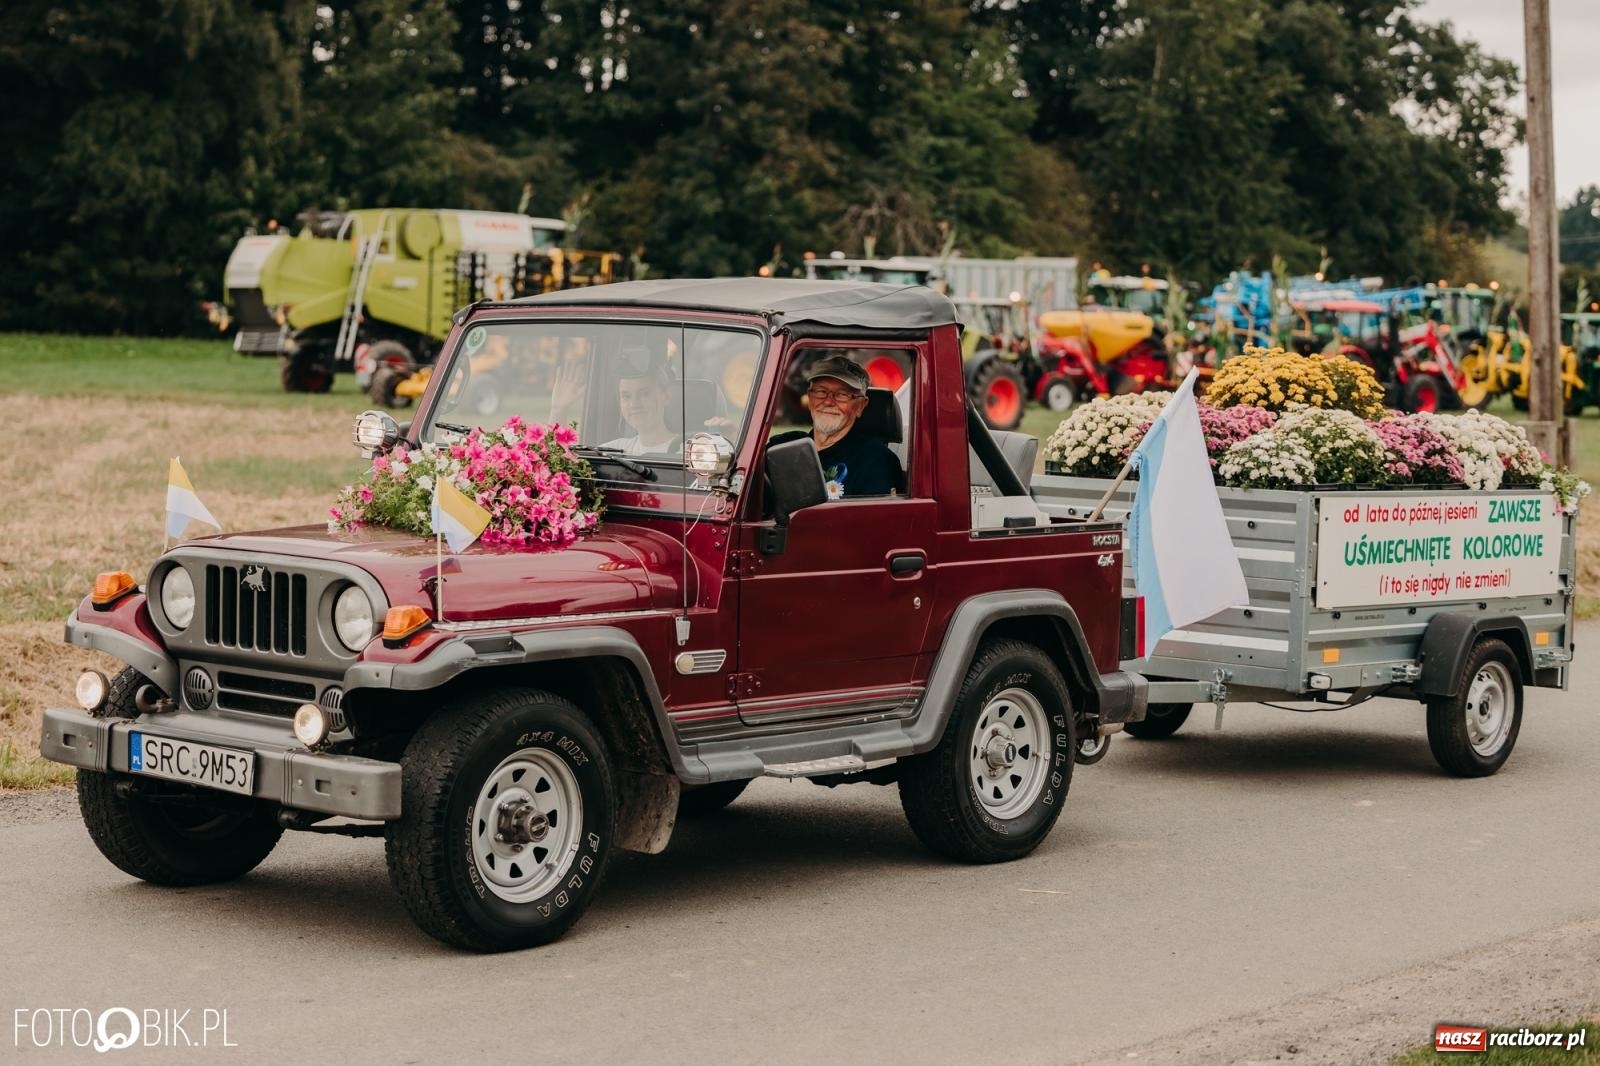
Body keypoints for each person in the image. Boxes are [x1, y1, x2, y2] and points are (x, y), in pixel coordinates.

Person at [771, 355, 903, 499]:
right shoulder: (780, 446)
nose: (828, 401)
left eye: (842, 394)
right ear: (810, 398)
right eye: (821, 391)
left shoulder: (877, 462)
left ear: (861, 405)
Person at [601, 368, 676, 456]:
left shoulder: (689, 454)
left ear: (667, 395)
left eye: (645, 394)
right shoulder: (613, 451)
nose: (634, 404)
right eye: (626, 396)